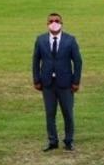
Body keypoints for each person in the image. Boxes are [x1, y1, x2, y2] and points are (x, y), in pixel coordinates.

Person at [33, 12, 82, 152]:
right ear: (47, 24)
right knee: (50, 114)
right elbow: (36, 61)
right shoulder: (40, 40)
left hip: (66, 83)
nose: (54, 23)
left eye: (57, 20)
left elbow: (78, 62)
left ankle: (68, 141)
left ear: (62, 22)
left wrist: (76, 81)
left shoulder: (70, 40)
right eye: (51, 21)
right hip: (47, 83)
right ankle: (52, 141)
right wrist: (36, 79)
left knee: (68, 113)